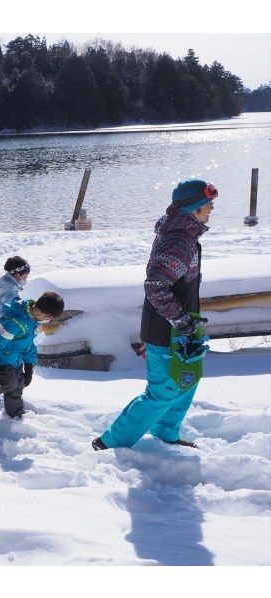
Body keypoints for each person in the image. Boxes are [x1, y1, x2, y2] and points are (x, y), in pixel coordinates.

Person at [93, 179, 218, 451]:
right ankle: (109, 443)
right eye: (208, 203)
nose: (211, 207)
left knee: (185, 382)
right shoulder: (178, 241)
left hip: (182, 327)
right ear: (193, 208)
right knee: (163, 391)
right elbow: (156, 286)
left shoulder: (185, 234)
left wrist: (186, 323)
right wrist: (181, 321)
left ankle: (165, 433)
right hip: (167, 330)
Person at [0, 292, 65, 418]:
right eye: (51, 318)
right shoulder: (15, 320)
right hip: (1, 360)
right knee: (7, 384)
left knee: (18, 386)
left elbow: (31, 346)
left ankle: (15, 415)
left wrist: (29, 366)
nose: (49, 321)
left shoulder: (32, 321)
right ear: (48, 315)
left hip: (16, 361)